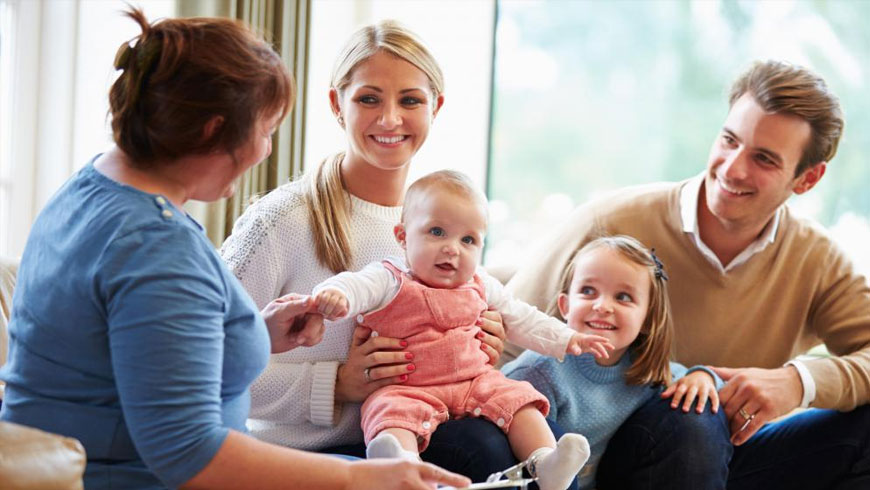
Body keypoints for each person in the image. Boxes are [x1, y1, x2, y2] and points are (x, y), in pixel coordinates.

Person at [0, 9, 470, 490]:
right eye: (265, 130)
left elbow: (138, 359)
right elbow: (188, 454)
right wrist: (357, 479)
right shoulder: (156, 250)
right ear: (212, 130)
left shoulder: (93, 188)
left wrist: (251, 333)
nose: (265, 151)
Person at [506, 60, 870, 488]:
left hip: (738, 458)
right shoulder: (609, 223)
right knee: (694, 416)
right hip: (608, 457)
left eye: (764, 159)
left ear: (807, 179)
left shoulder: (818, 260)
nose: (733, 168)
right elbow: (504, 336)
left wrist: (799, 381)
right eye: (729, 140)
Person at [220, 20, 523, 482]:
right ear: (336, 105)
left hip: (414, 426)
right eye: (368, 99)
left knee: (542, 436)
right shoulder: (282, 221)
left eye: (410, 100)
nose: (389, 119)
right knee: (484, 451)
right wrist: (335, 384)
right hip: (304, 451)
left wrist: (480, 345)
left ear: (435, 107)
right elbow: (205, 365)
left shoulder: (442, 220)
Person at [312, 170, 612, 490]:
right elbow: (353, 285)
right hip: (409, 387)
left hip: (475, 382)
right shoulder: (389, 279)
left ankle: (545, 462)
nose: (452, 249)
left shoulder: (481, 283)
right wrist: (336, 296)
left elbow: (522, 317)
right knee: (389, 412)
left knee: (520, 402)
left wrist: (568, 337)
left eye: (467, 240)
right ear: (402, 236)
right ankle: (402, 466)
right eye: (437, 232)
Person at [503, 235, 724, 489]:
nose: (602, 306)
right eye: (588, 291)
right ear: (565, 305)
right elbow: (515, 466)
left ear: (648, 318)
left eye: (623, 297)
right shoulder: (539, 372)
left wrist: (703, 376)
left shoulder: (644, 368)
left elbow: (710, 390)